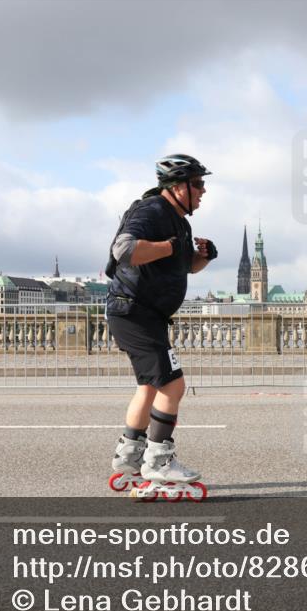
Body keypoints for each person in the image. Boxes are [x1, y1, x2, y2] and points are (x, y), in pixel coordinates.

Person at [105, 154, 217, 496]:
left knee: (150, 387)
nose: (203, 191)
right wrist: (168, 246)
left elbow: (183, 267)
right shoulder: (151, 210)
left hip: (144, 315)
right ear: (177, 186)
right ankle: (158, 461)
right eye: (197, 184)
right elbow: (124, 250)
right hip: (134, 311)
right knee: (173, 386)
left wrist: (204, 257)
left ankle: (129, 455)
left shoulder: (179, 220)